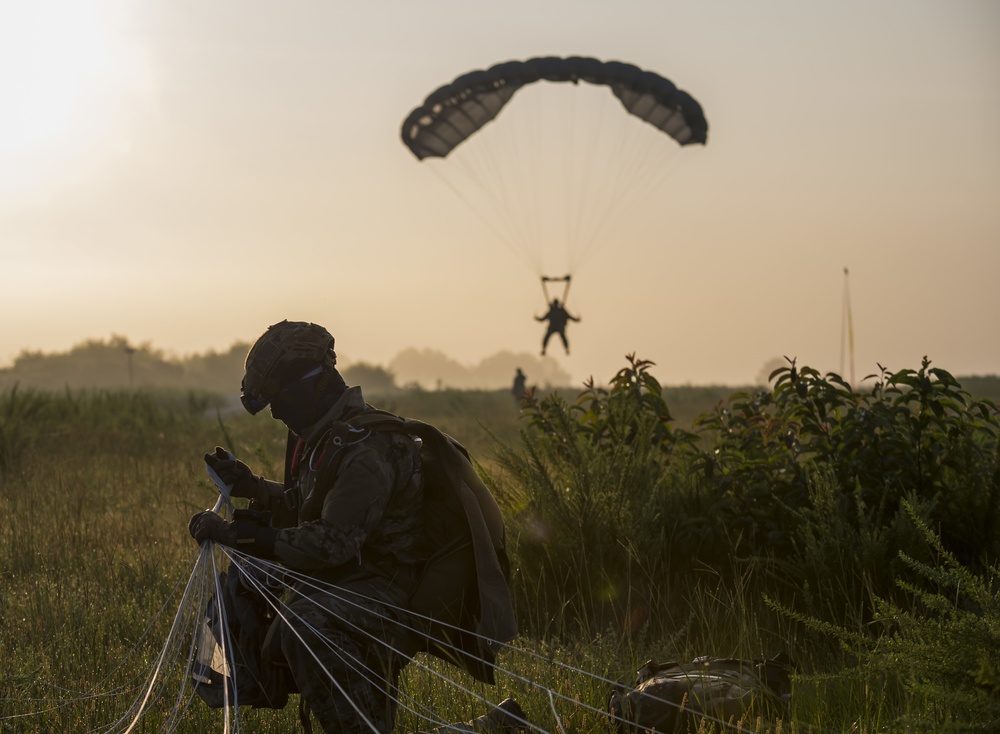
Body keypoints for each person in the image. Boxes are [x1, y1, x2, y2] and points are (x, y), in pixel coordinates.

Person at [187, 320, 524, 734]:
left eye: (282, 399)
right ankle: (498, 726)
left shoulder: (367, 447)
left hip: (391, 589)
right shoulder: (324, 437)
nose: (277, 412)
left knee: (306, 627)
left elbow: (333, 542)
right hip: (354, 581)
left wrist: (239, 535)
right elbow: (307, 506)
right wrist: (252, 487)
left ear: (314, 384)